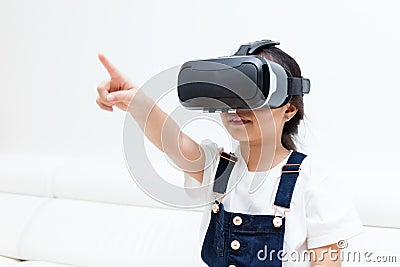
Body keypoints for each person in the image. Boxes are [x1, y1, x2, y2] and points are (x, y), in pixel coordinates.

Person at [96, 43, 364, 267]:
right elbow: (172, 141)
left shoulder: (315, 181)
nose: (237, 107)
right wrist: (136, 102)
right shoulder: (218, 169)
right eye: (231, 93)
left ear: (288, 110)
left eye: (253, 94)